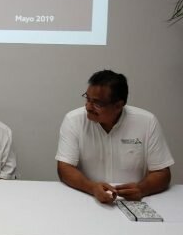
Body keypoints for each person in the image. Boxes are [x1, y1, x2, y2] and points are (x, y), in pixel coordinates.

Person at [56, 70, 174, 204]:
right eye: (87, 99)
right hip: (87, 198)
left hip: (131, 201)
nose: (88, 107)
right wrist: (91, 188)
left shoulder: (147, 122)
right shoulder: (73, 120)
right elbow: (64, 168)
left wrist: (142, 189)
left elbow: (162, 173)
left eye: (97, 103)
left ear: (118, 106)